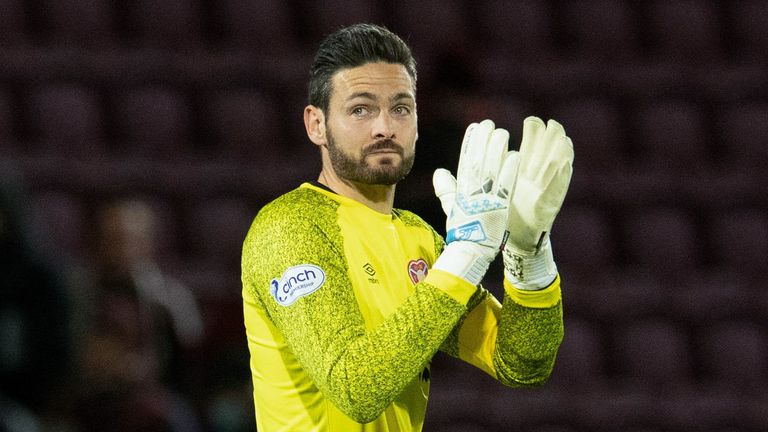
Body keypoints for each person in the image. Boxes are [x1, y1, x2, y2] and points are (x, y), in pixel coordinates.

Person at [241, 23, 574, 431]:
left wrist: (528, 254)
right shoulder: (289, 226)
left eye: (400, 108)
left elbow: (522, 362)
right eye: (360, 109)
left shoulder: (417, 238)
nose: (385, 127)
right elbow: (356, 387)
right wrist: (467, 254)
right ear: (316, 124)